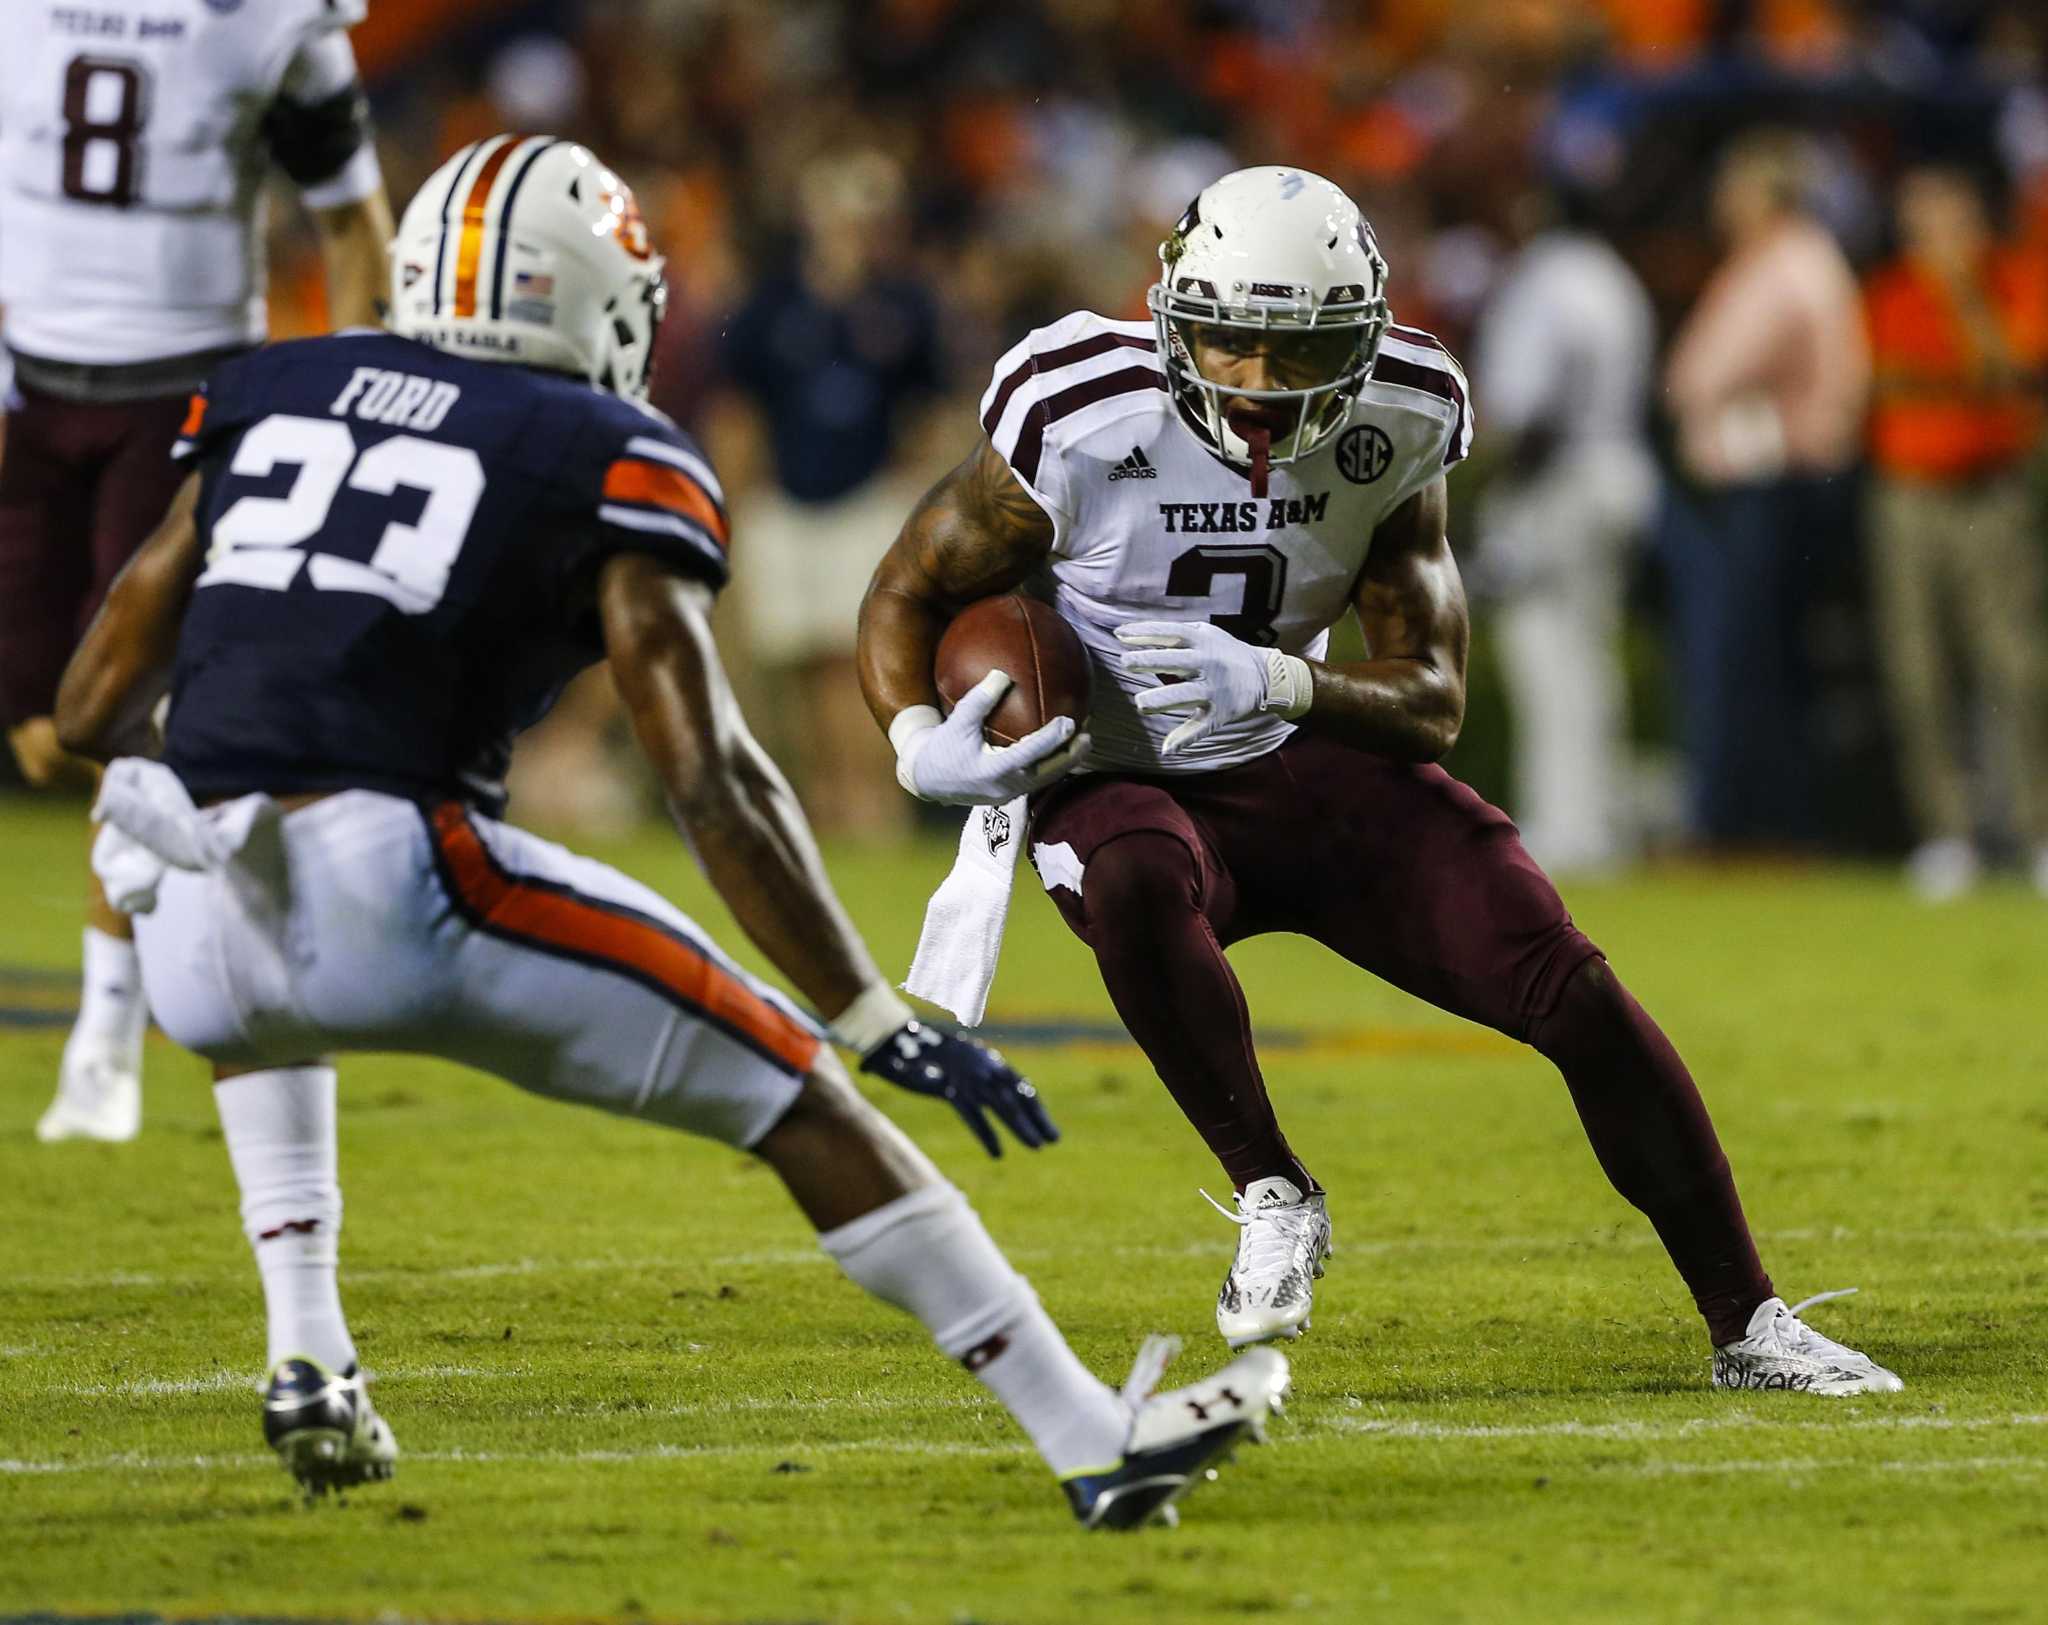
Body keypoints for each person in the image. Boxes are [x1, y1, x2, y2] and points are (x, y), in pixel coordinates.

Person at [50, 138, 1287, 1527]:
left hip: (186, 912)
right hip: (397, 882)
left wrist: (205, 764)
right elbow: (715, 780)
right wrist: (868, 1009)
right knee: (800, 1088)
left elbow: (93, 698)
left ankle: (310, 1357)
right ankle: (1092, 1439)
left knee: (263, 972)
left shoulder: (278, 385)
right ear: (589, 295)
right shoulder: (603, 446)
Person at [857, 165, 1901, 1396]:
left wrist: (1284, 685)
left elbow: (1432, 696)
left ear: (1358, 340)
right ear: (1170, 313)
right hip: (1112, 770)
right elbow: (906, 589)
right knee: (1133, 873)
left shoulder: (1400, 413)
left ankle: (1749, 1322)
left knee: (1570, 989)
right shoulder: (1076, 404)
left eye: (1295, 349)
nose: (1252, 378)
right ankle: (1269, 1186)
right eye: (1226, 337)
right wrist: (916, 735)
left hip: (1295, 757)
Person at [0, 0, 394, 1144]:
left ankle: (107, 1034)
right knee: (42, 730)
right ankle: (233, 820)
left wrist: (367, 383)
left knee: (118, 713)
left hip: (182, 387)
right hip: (34, 389)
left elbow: (353, 218)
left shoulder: (267, 21)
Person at [715, 150, 948, 838]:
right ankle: (824, 799)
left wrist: (917, 498)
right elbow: (740, 409)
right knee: (797, 663)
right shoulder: (771, 304)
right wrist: (735, 499)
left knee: (859, 662)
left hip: (867, 499)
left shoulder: (904, 304)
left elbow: (930, 409)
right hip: (784, 502)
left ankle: (870, 803)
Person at [1661, 130, 1871, 849]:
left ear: (1767, 195)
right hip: (1787, 488)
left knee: (1744, 660)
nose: (1724, 201)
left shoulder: (1786, 264)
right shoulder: (1799, 258)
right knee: (1764, 660)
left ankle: (1747, 825)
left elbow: (1697, 378)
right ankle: (1766, 820)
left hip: (1775, 488)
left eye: (1737, 187)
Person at [1863, 163, 2048, 899]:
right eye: (1923, 224)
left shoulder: (2010, 283)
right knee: (1919, 666)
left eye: (1949, 221)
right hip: (1908, 498)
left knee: (2016, 663)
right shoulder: (1888, 295)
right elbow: (1879, 389)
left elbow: (2012, 371)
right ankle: (1948, 836)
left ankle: (2036, 829)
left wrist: (1964, 298)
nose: (1935, 239)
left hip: (1990, 495)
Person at [1468, 184, 1659, 873]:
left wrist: (1495, 490)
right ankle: (1599, 821)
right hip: (1619, 468)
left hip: (1559, 482)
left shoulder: (1544, 279)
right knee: (1592, 656)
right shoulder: (1615, 278)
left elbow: (1534, 406)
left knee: (1546, 652)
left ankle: (1567, 825)